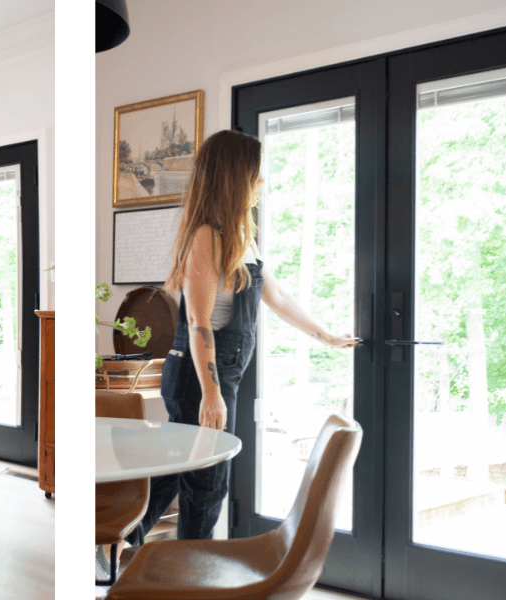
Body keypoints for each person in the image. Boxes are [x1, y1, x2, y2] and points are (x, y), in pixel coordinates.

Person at [126, 129, 358, 543]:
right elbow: (198, 324)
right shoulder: (206, 237)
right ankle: (188, 575)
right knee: (207, 484)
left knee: (184, 471)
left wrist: (324, 335)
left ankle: (119, 541)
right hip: (199, 378)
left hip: (215, 377)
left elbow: (278, 295)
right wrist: (212, 394)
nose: (261, 183)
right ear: (235, 177)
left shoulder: (239, 234)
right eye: (256, 174)